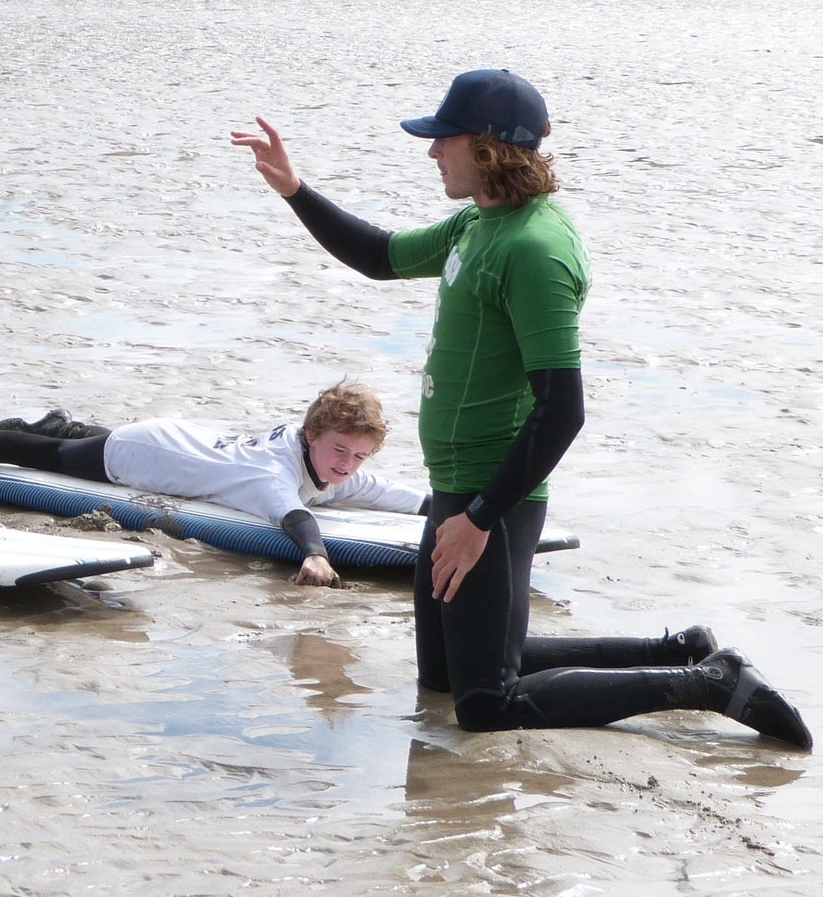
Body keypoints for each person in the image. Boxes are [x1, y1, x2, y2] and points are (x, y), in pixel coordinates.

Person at [230, 71, 810, 748]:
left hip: (491, 497)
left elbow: (563, 409)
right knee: (444, 678)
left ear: (489, 146)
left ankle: (713, 683)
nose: (432, 152)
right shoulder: (480, 221)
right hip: (457, 489)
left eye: (444, 139)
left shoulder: (534, 248)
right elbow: (380, 257)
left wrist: (479, 519)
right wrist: (295, 191)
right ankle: (680, 651)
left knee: (486, 704)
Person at [0, 381, 427, 588]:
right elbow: (293, 516)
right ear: (312, 435)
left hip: (183, 439)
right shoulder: (272, 473)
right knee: (44, 456)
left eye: (359, 456)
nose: (348, 465)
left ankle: (39, 422)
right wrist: (316, 555)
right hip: (144, 455)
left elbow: (397, 496)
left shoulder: (330, 464)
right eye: (341, 451)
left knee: (63, 438)